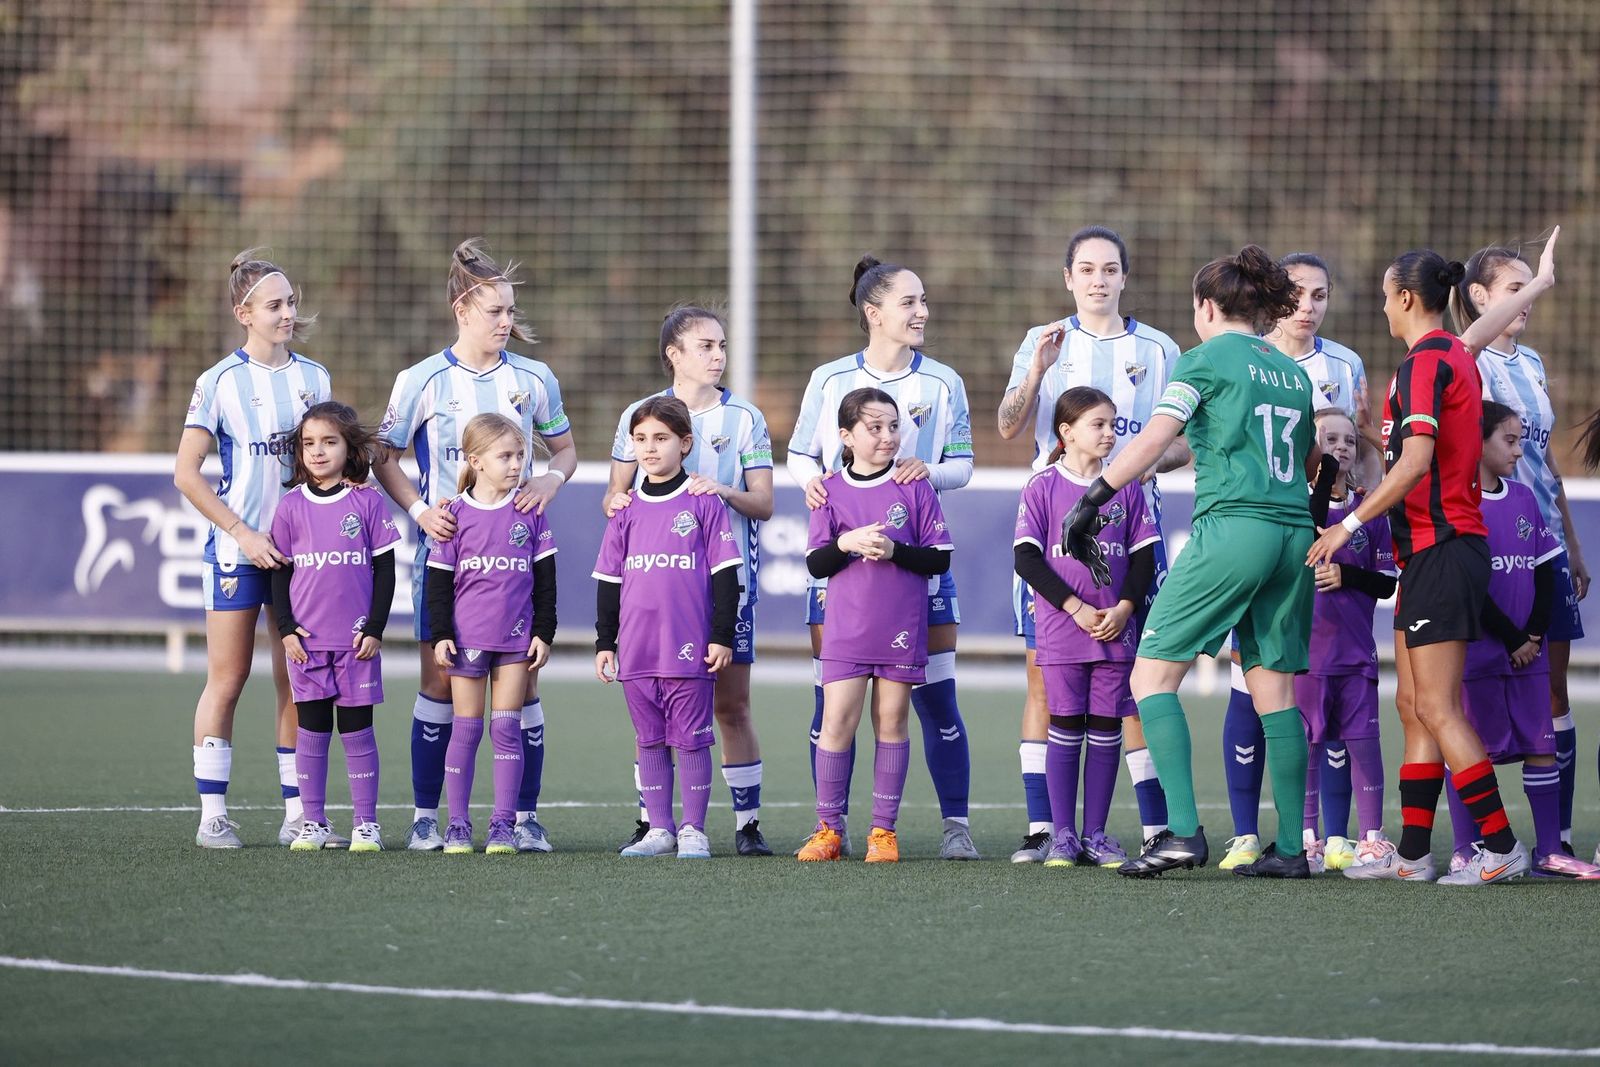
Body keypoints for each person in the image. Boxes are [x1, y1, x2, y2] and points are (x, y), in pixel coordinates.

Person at [1310, 229, 1562, 884]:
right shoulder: (1451, 350)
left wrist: (1350, 522)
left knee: (1441, 707)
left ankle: (1501, 846)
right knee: (1416, 706)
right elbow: (1478, 335)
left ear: (1403, 297)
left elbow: (1417, 459)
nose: (1383, 307)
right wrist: (1538, 285)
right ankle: (1414, 856)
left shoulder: (1424, 362)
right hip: (1429, 551)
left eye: (1387, 298)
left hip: (1443, 549)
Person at [1062, 244, 1315, 879]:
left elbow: (1152, 438)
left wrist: (1093, 497)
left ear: (1206, 307)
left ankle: (1180, 833)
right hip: (1294, 534)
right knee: (1275, 692)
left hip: (1234, 529)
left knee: (1149, 679)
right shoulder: (1292, 370)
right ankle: (1291, 849)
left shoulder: (1201, 360)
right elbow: (1305, 461)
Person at [373, 239, 576, 853]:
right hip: (450, 558)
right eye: (495, 311)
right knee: (441, 682)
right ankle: (428, 817)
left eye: (511, 310)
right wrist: (418, 509)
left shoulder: (534, 378)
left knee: (525, 686)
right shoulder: (421, 379)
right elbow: (383, 456)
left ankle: (524, 819)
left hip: (513, 559)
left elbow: (565, 449)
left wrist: (551, 476)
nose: (507, 322)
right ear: (463, 310)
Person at [996, 225, 1185, 863]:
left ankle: (1149, 825)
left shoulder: (1159, 349)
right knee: (1044, 685)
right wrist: (1039, 372)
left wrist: (1140, 465)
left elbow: (1191, 439)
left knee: (1130, 682)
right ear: (1068, 278)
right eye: (1086, 269)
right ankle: (1047, 828)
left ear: (1125, 277)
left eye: (1110, 268)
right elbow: (1007, 423)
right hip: (1055, 536)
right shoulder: (1041, 341)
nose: (1098, 279)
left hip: (1131, 531)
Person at [787, 255, 978, 860]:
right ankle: (831, 827)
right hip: (845, 573)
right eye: (910, 302)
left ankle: (954, 827)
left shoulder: (943, 382)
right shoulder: (829, 379)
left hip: (913, 564)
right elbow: (798, 454)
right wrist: (813, 486)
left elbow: (963, 464)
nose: (922, 312)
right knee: (833, 702)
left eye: (923, 302)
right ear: (874, 312)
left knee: (936, 700)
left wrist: (932, 471)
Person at [1219, 252, 1380, 869]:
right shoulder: (1247, 354)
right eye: (1297, 295)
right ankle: (1242, 832)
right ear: (1273, 298)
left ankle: (1319, 834)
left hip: (1316, 534)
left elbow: (1362, 458)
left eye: (1320, 295)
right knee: (1247, 684)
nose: (1308, 307)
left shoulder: (1345, 365)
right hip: (1254, 528)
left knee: (1315, 694)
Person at [174, 249, 332, 849]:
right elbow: (187, 475)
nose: (289, 313)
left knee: (296, 680)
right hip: (239, 552)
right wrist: (241, 532)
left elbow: (327, 462)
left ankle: (300, 814)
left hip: (302, 557)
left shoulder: (316, 378)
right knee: (227, 678)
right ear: (244, 312)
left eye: (291, 302)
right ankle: (212, 813)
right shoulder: (216, 382)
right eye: (275, 305)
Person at [605, 306, 774, 856]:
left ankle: (746, 824)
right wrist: (615, 499)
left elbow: (765, 504)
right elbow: (618, 495)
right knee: (652, 704)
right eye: (705, 345)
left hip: (726, 589)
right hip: (656, 597)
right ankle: (651, 821)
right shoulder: (641, 415)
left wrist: (716, 491)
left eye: (722, 345)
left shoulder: (744, 417)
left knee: (729, 705)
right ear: (673, 355)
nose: (718, 355)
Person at [1453, 244, 1589, 857]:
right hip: (1484, 543)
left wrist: (1574, 544)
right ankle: (1473, 841)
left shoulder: (1531, 363)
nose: (1528, 299)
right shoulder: (1469, 358)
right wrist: (1544, 280)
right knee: (1467, 694)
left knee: (1552, 691)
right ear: (1479, 296)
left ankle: (1554, 841)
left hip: (1545, 545)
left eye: (1531, 288)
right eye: (1514, 288)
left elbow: (1546, 462)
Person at [1442, 403, 1600, 880]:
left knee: (1541, 746)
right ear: (1478, 442)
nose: (1519, 449)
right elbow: (1471, 587)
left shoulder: (1526, 498)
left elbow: (1545, 572)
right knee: (1471, 745)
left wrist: (1533, 635)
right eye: (1509, 441)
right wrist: (1512, 638)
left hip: (1527, 653)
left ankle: (1550, 850)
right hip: (1481, 652)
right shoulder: (1459, 505)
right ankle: (1469, 848)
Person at [798, 388, 954, 863]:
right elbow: (816, 562)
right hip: (846, 628)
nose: (888, 436)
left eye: (893, 426)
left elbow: (940, 557)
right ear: (845, 436)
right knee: (835, 722)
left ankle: (883, 832)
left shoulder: (914, 486)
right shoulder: (829, 489)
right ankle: (828, 828)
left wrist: (894, 552)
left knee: (891, 722)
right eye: (875, 428)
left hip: (901, 626)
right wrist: (845, 543)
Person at [1012, 387, 1159, 868]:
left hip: (1114, 629)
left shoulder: (1127, 487)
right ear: (1066, 432)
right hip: (1062, 628)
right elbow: (1026, 558)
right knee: (1065, 723)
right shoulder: (1042, 486)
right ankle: (1063, 836)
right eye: (1098, 424)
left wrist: (1124, 608)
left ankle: (1096, 834)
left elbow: (1144, 558)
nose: (1109, 433)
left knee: (1105, 726)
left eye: (1114, 424)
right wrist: (1074, 607)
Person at [594, 397, 742, 860]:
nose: (650, 449)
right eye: (640, 440)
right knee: (649, 739)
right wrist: (605, 642)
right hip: (637, 648)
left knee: (693, 737)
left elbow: (725, 575)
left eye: (660, 439)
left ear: (685, 443)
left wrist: (721, 635)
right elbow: (609, 580)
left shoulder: (702, 502)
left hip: (689, 645)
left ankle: (694, 829)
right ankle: (660, 828)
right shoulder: (625, 508)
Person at [269, 402, 399, 852]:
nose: (318, 452)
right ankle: (314, 823)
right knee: (312, 731)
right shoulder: (289, 507)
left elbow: (385, 570)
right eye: (309, 444)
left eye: (329, 442)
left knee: (358, 731)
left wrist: (376, 627)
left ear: (349, 448)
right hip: (306, 644)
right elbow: (280, 573)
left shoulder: (367, 501)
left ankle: (366, 824)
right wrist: (286, 628)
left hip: (355, 641)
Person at [425, 414, 557, 855]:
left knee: (506, 729)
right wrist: (441, 633)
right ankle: (458, 825)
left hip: (516, 641)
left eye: (520, 455)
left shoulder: (530, 511)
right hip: (466, 641)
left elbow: (546, 580)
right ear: (475, 461)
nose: (516, 464)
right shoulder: (454, 515)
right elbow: (438, 584)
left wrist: (544, 632)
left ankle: (503, 825)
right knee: (465, 731)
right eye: (505, 456)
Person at [1293, 409, 1396, 872]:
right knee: (1307, 746)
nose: (1340, 447)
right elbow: (1309, 530)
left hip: (1355, 654)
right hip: (1305, 656)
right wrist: (1322, 477)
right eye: (1329, 439)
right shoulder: (1297, 507)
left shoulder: (1369, 510)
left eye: (1349, 441)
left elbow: (1385, 583)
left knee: (1363, 743)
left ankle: (1372, 839)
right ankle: (1307, 838)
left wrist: (1346, 573)